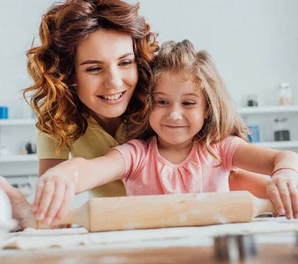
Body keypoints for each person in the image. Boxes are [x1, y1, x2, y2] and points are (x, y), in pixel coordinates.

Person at [32, 40, 298, 226]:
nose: (174, 114)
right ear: (147, 103)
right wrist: (67, 172)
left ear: (207, 108)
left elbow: (283, 158)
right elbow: (94, 169)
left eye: (188, 103)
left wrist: (285, 173)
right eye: (162, 101)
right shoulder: (136, 154)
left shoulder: (221, 149)